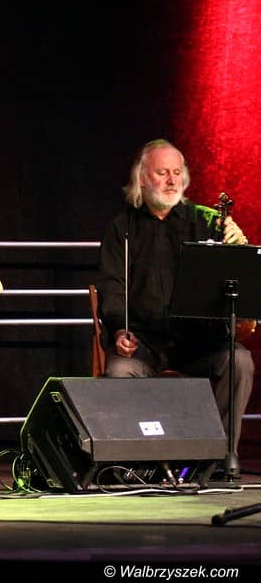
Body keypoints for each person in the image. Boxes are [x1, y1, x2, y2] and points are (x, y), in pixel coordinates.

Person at [96, 139, 254, 469]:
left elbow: (237, 277)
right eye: (162, 173)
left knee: (239, 361)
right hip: (144, 343)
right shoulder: (122, 228)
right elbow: (112, 289)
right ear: (142, 179)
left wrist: (239, 248)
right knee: (119, 372)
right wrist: (120, 330)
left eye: (177, 172)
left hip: (198, 342)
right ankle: (133, 464)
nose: (172, 180)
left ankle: (217, 457)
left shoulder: (207, 221)